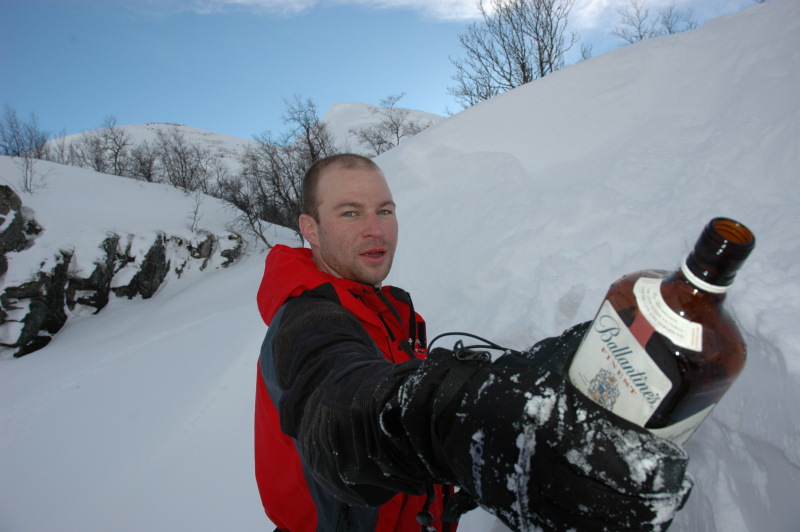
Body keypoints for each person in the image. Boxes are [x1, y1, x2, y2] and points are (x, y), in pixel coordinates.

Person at [254, 154, 693, 532]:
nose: (376, 230)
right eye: (350, 213)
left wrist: (578, 355)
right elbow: (340, 414)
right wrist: (462, 419)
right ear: (310, 229)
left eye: (385, 211)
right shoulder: (307, 321)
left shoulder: (378, 305)